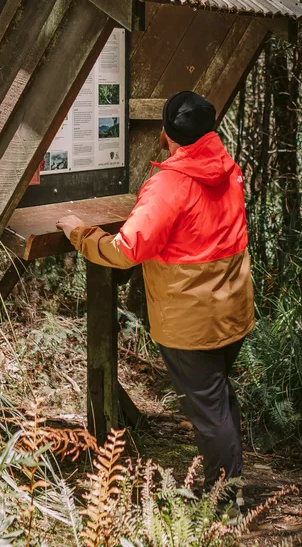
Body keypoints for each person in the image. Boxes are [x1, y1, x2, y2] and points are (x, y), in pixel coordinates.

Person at [56, 90, 253, 514]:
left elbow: (128, 248)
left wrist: (79, 234)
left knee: (208, 409)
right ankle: (229, 488)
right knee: (218, 398)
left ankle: (223, 504)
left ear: (166, 133)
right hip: (231, 309)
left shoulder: (171, 184)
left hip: (190, 321)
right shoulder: (227, 167)